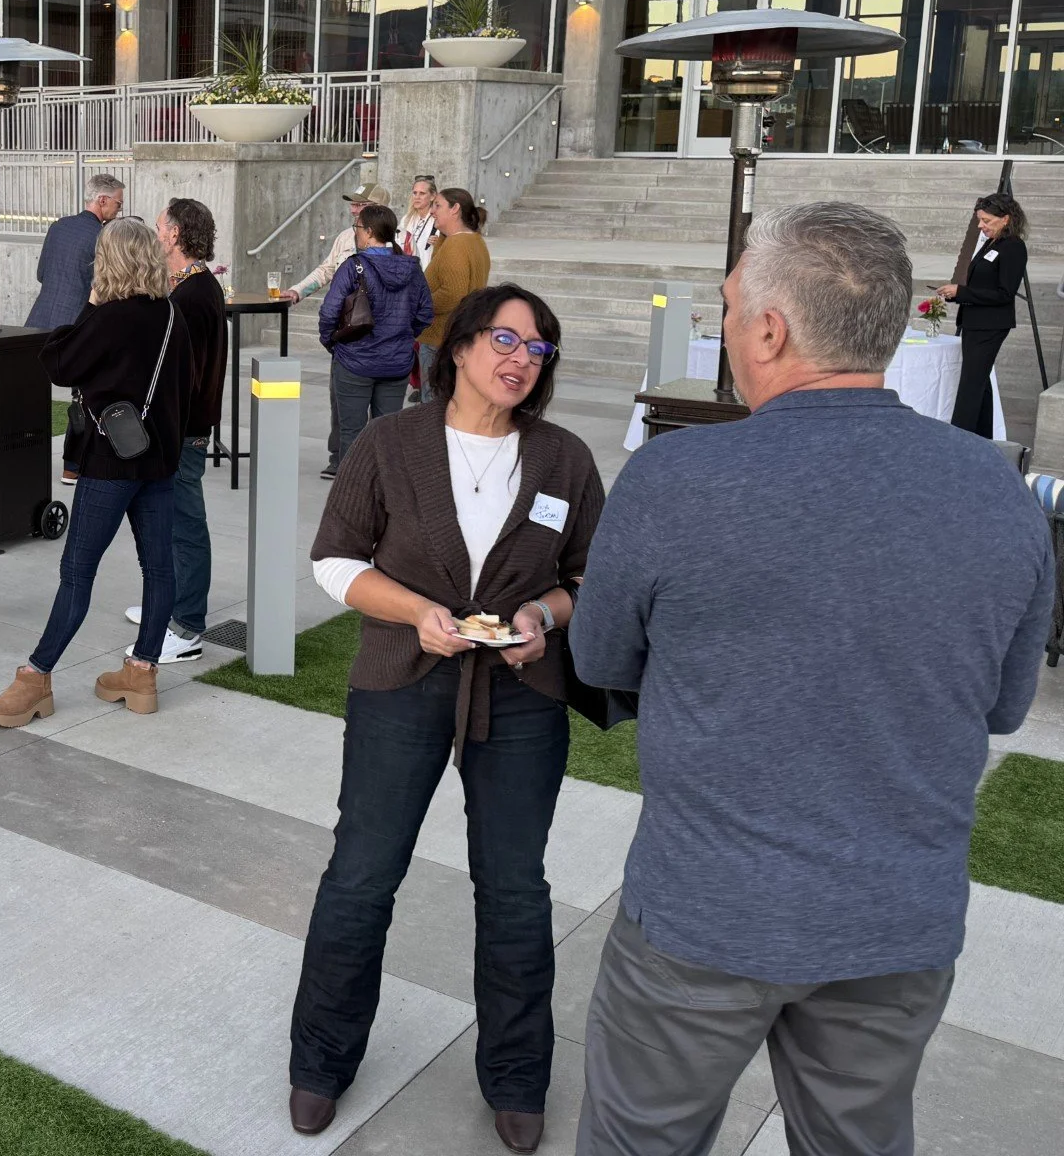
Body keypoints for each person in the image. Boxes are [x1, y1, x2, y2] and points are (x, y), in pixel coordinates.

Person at [569, 202, 1049, 1156]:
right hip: (897, 918)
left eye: (728, 309)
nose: (726, 330)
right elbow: (1003, 706)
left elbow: (599, 661)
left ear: (770, 330)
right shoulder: (998, 488)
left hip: (704, 914)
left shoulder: (675, 478)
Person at [290, 284, 599, 1156]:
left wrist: (541, 617)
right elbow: (335, 561)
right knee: (362, 875)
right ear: (459, 347)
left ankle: (517, 1077)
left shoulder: (563, 459)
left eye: (537, 348)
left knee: (514, 888)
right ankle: (320, 1063)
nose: (520, 359)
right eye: (504, 339)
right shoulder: (390, 443)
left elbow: (588, 578)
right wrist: (417, 612)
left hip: (522, 696)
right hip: (402, 679)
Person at [0, 219, 193, 729]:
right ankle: (142, 672)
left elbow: (57, 362)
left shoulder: (110, 316)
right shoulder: (171, 314)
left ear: (110, 261)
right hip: (159, 461)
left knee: (77, 571)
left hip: (111, 463)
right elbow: (184, 385)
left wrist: (91, 303)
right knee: (158, 568)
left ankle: (35, 676)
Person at [123, 197, 228, 664]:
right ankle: (166, 608)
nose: (155, 232)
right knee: (165, 524)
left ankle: (186, 628)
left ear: (175, 234)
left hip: (183, 431)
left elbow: (185, 375)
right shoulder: (189, 288)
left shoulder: (195, 294)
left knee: (184, 527)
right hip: (177, 428)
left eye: (159, 226)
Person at [319, 202, 433, 470]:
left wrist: (333, 343)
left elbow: (329, 313)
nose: (355, 232)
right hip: (396, 363)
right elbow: (425, 313)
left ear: (369, 232)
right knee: (389, 436)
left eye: (357, 227)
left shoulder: (354, 266)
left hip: (354, 361)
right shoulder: (412, 268)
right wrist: (403, 337)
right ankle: (385, 490)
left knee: (352, 433)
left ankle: (351, 491)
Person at [27, 173, 124, 483]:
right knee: (82, 397)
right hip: (80, 324)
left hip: (40, 322)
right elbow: (104, 286)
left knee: (31, 394)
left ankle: (25, 458)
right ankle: (72, 465)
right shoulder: (103, 237)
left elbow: (42, 273)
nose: (119, 210)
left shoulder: (58, 227)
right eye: (118, 204)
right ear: (102, 200)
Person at [284, 175, 383, 477]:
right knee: (340, 399)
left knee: (381, 407)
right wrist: (298, 290)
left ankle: (377, 465)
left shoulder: (401, 239)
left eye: (360, 205)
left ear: (378, 208)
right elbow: (326, 269)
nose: (353, 210)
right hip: (347, 333)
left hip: (382, 334)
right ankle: (339, 457)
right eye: (353, 205)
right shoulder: (344, 238)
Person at [935, 191, 1026, 438]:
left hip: (990, 326)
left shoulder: (1013, 247)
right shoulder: (991, 243)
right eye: (980, 220)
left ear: (1005, 219)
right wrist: (957, 294)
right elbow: (982, 285)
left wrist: (962, 292)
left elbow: (1004, 293)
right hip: (974, 322)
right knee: (980, 384)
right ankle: (983, 439)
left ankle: (959, 440)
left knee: (970, 386)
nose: (981, 226)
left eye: (986, 220)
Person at [413, 186, 491, 402]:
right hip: (459, 334)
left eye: (437, 206)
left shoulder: (456, 245)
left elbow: (452, 294)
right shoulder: (473, 241)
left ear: (455, 209)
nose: (432, 211)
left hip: (440, 338)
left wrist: (417, 306)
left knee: (434, 405)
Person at [398, 174, 440, 266]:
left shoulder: (439, 220)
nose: (417, 197)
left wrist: (439, 243)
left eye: (422, 193)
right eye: (415, 193)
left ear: (432, 196)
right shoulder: (406, 219)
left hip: (428, 271)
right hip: (407, 270)